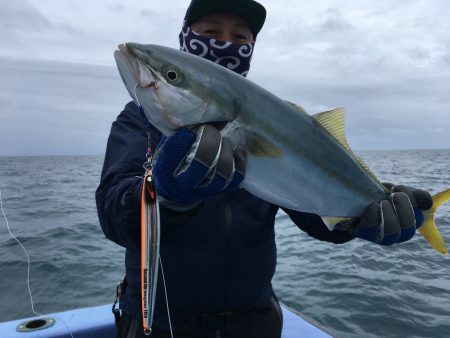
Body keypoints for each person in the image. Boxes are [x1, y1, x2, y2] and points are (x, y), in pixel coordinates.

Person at [96, 1, 433, 337]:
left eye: (240, 37)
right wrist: (164, 196)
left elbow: (314, 212)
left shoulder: (280, 118)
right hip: (159, 321)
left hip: (254, 322)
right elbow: (113, 214)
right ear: (186, 37)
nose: (225, 42)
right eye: (211, 32)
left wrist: (365, 215)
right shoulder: (140, 121)